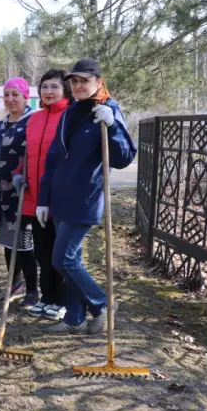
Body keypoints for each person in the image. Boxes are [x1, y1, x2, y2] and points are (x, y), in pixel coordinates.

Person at [36, 59, 136, 334]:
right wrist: (44, 198)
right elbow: (54, 156)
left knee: (63, 260)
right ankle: (75, 320)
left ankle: (102, 303)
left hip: (85, 198)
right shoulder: (70, 113)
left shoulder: (108, 110)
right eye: (75, 81)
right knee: (73, 262)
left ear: (98, 82)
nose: (78, 86)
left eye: (84, 81)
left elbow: (124, 157)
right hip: (60, 198)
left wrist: (113, 126)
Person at [11, 70, 73, 321]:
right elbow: (27, 156)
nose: (48, 91)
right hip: (35, 195)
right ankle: (47, 297)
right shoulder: (34, 119)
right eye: (44, 86)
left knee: (61, 251)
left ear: (65, 90)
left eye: (54, 87)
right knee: (42, 249)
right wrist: (18, 173)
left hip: (61, 196)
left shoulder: (71, 116)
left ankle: (62, 300)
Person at [0, 78, 38, 305]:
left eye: (15, 94)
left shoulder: (32, 121)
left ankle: (33, 290)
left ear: (26, 97)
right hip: (1, 194)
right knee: (7, 242)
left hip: (22, 193)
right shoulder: (0, 124)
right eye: (6, 95)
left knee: (24, 243)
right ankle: (14, 283)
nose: (10, 99)